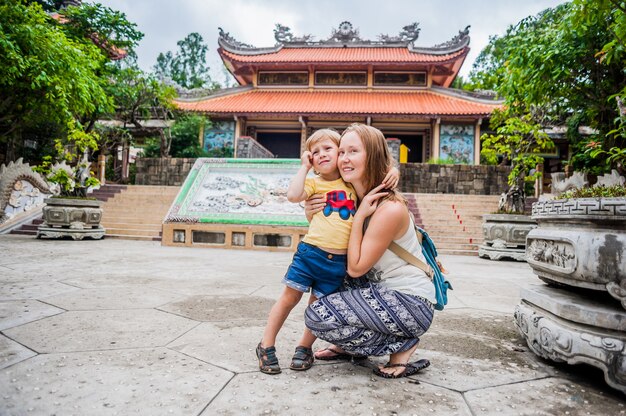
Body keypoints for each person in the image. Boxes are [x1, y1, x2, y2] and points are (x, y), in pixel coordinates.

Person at [256, 128, 399, 375]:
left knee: (317, 304)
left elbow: (381, 170)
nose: (321, 154)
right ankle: (266, 344)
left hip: (338, 261)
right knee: (289, 298)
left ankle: (304, 347)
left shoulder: (351, 182)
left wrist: (395, 170)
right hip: (310, 254)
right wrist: (304, 168)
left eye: (328, 149)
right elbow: (292, 195)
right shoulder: (313, 182)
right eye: (315, 152)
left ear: (340, 154)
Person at [304, 123, 436, 379]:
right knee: (327, 275)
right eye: (341, 152)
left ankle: (402, 345)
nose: (343, 159)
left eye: (353, 151)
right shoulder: (352, 193)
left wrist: (361, 214)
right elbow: (331, 243)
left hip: (410, 302)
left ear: (373, 156)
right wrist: (310, 212)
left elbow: (356, 267)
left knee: (317, 317)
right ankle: (348, 345)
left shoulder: (389, 209)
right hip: (381, 291)